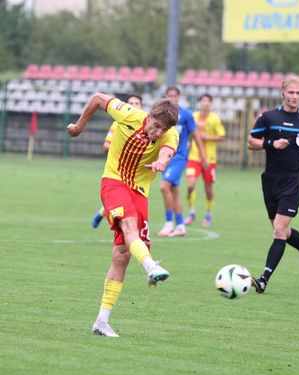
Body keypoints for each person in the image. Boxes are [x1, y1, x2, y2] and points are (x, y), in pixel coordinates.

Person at [67, 92, 179, 337]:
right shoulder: (128, 114)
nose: (158, 132)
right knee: (129, 226)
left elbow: (166, 152)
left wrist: (162, 163)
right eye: (156, 126)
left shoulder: (171, 134)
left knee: (122, 255)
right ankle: (151, 266)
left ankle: (101, 321)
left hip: (139, 191)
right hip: (114, 182)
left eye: (164, 129)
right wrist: (79, 126)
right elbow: (97, 98)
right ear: (149, 116)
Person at [247, 74, 299, 293]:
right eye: (291, 92)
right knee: (281, 229)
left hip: (293, 180)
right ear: (283, 94)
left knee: (279, 230)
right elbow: (251, 142)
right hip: (270, 179)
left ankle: (263, 280)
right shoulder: (268, 117)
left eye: (298, 93)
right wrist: (271, 144)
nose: (295, 96)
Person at [157, 86, 208, 237]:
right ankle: (180, 226)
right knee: (174, 191)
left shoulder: (186, 114)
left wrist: (203, 156)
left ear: (179, 97)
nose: (172, 98)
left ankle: (168, 224)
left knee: (164, 187)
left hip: (179, 157)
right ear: (165, 97)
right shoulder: (162, 115)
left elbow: (196, 135)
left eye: (175, 96)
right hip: (165, 157)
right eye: (170, 96)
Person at [91, 94, 143, 228]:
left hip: (138, 173)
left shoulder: (148, 126)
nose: (134, 106)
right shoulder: (118, 123)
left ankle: (102, 212)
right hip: (119, 171)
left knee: (131, 200)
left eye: (137, 103)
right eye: (131, 103)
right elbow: (106, 146)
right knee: (122, 201)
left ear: (142, 106)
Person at [185, 93, 225, 227]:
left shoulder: (215, 118)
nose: (205, 103)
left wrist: (206, 137)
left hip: (209, 159)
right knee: (190, 185)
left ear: (211, 104)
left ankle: (208, 214)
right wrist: (188, 142)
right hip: (194, 157)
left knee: (208, 188)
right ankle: (191, 213)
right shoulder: (193, 116)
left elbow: (221, 136)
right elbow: (188, 132)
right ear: (199, 103)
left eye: (208, 101)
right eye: (203, 100)